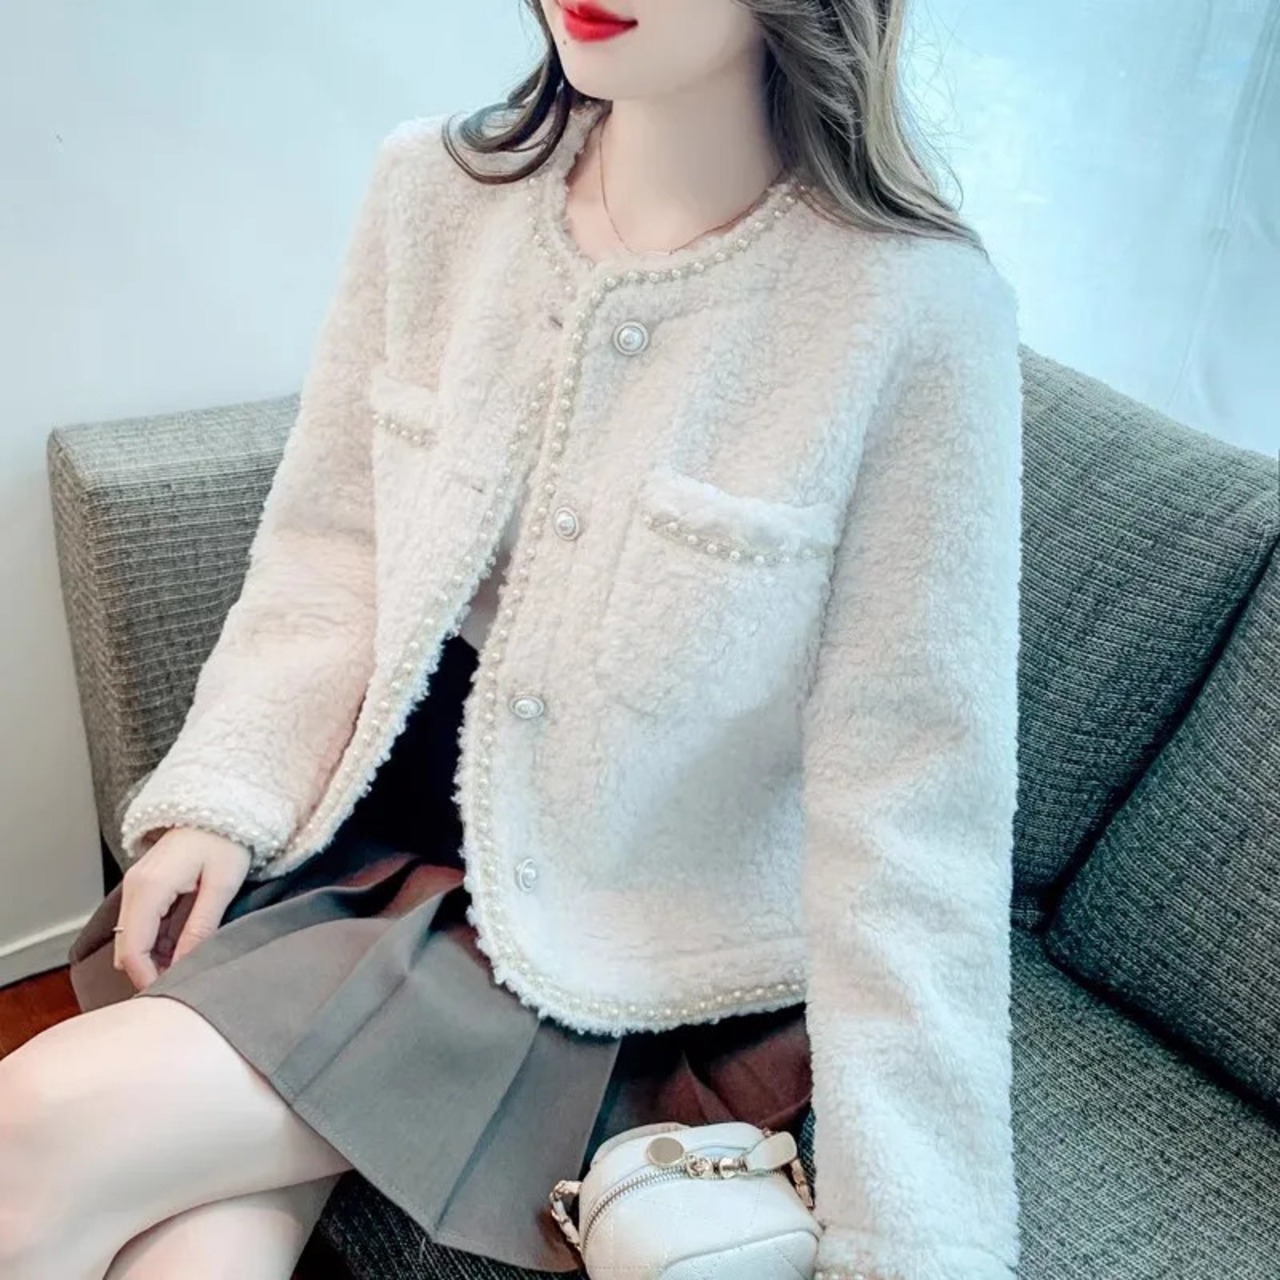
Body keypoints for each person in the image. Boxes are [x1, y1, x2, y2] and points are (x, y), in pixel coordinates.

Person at [0, 1, 1025, 1278]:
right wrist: (223, 799)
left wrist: (910, 1238)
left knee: (33, 1126)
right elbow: (332, 545)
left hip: (612, 941)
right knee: (191, 1255)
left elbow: (911, 805)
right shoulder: (435, 192)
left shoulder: (912, 312)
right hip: (354, 836)